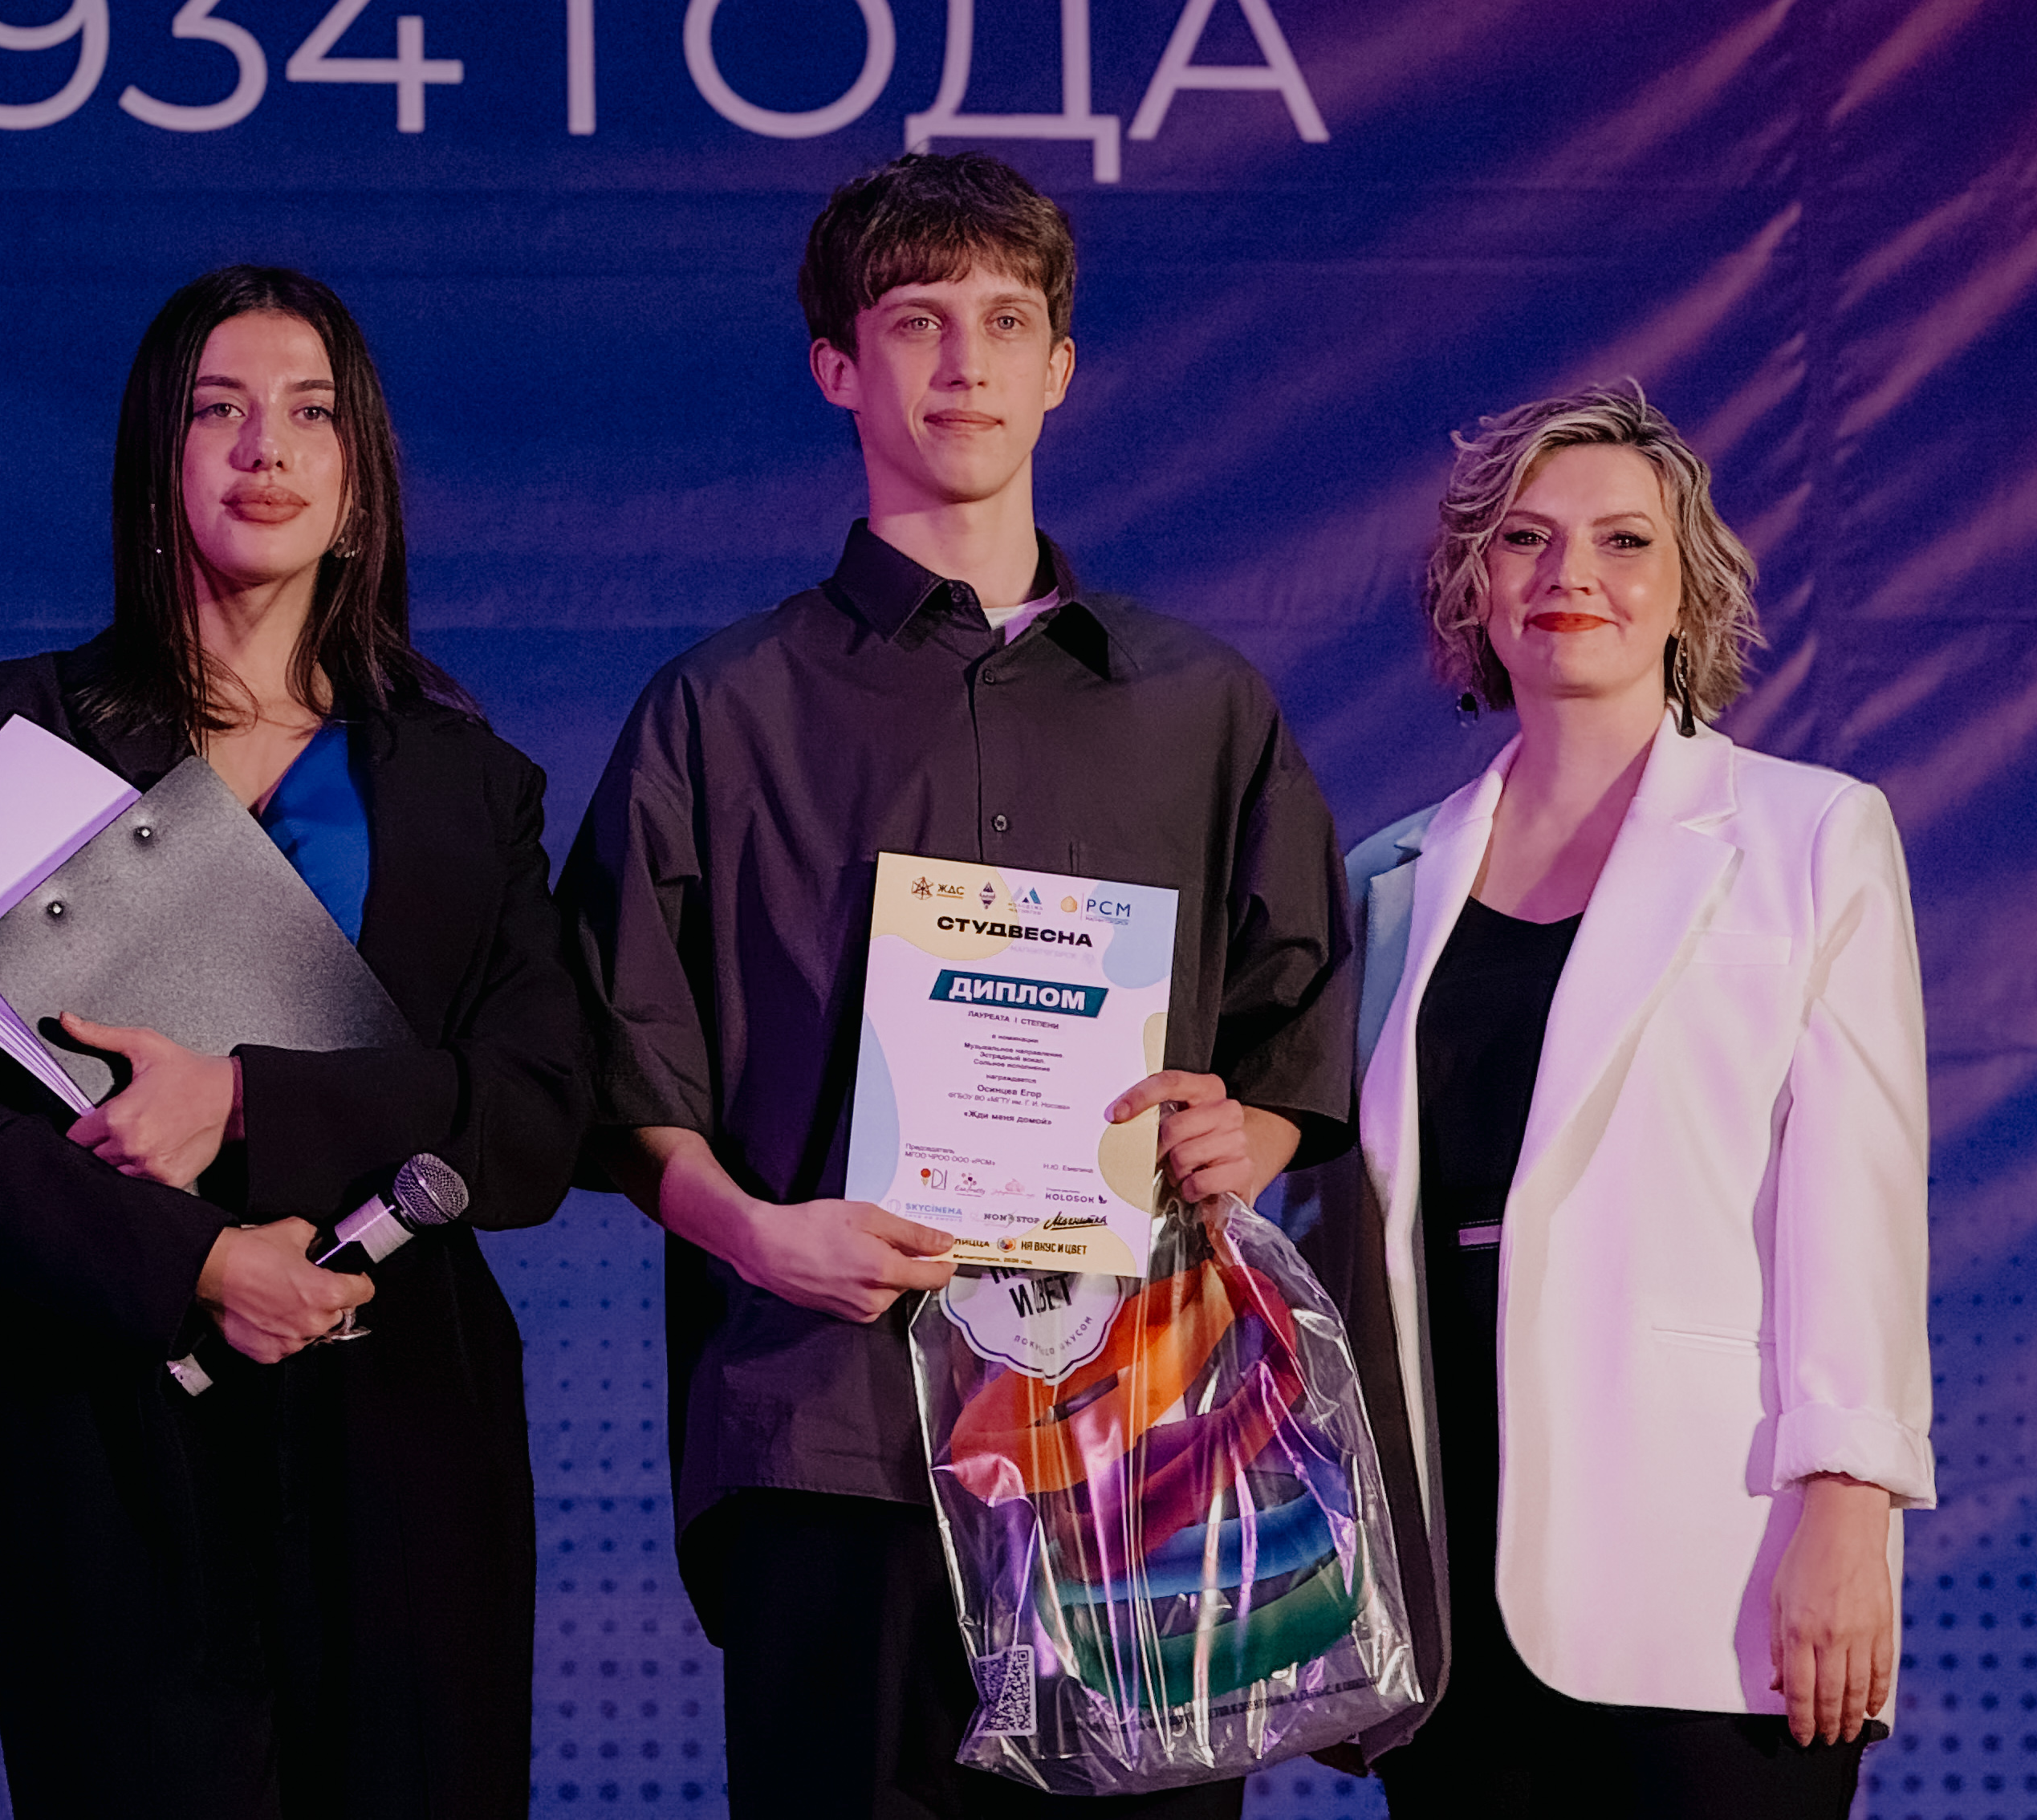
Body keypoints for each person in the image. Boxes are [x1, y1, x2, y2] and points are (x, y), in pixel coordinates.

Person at [559, 152, 1357, 1820]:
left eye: (1005, 322)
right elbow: (615, 1068)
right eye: (916, 321)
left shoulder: (1202, 707)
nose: (964, 363)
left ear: (1061, 368)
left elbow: (1296, 1033)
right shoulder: (720, 711)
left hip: (1139, 1444)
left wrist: (1256, 1133)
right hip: (833, 1434)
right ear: (835, 369)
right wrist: (756, 1233)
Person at [0, 266, 587, 1818]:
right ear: (157, 457)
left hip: (407, 1434)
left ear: (359, 478)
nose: (267, 448)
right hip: (113, 1424)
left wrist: (247, 1100)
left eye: (311, 414)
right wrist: (199, 1260)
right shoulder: (17, 737)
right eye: (219, 410)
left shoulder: (472, 786)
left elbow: (536, 1118)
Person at [1303, 383, 1934, 1814]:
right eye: (1524, 539)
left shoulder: (1812, 835)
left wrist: (1850, 1507)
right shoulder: (1387, 878)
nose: (1569, 573)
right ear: (1474, 589)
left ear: (1688, 592)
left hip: (1706, 1568)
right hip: (1442, 1584)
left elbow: (1857, 1200)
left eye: (1623, 540)